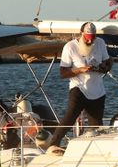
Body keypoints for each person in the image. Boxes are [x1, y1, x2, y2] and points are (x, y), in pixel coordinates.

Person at [43, 22, 112, 155]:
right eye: (87, 37)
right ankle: (53, 145)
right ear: (81, 34)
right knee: (70, 116)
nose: (90, 40)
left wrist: (103, 67)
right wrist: (79, 70)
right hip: (78, 87)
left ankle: (96, 152)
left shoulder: (100, 43)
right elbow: (63, 73)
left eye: (93, 37)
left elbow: (108, 62)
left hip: (97, 90)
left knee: (96, 125)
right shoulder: (70, 47)